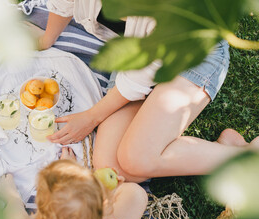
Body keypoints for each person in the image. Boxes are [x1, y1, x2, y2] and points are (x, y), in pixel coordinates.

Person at [37, 0, 259, 182]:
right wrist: (46, 41)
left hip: (191, 55)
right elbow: (63, 3)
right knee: (110, 167)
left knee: (136, 158)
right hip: (138, 56)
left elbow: (138, 79)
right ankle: (224, 151)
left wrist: (91, 117)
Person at [0, 147, 148, 219]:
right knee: (136, 194)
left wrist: (12, 199)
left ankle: (10, 197)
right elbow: (135, 195)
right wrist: (106, 190)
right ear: (104, 211)